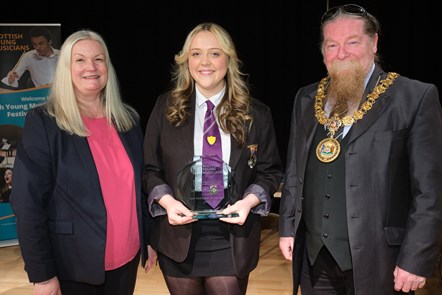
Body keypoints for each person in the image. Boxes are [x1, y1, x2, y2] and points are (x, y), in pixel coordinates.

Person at [278, 4, 442, 295]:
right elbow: (294, 173)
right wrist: (287, 227)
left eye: (352, 42)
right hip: (315, 259)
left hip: (381, 261)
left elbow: (429, 191)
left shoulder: (414, 97)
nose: (341, 53)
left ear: (374, 42)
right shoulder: (305, 98)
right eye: (332, 45)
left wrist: (416, 258)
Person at [142, 22, 283, 295]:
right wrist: (168, 203)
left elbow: (270, 171)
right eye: (196, 54)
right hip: (178, 235)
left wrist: (248, 202)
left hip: (232, 237)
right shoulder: (165, 108)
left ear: (229, 59)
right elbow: (150, 169)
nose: (205, 62)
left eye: (215, 53)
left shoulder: (257, 113)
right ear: (186, 61)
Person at [10, 30, 151, 295]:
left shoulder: (128, 121)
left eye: (99, 59)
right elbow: (27, 204)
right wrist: (42, 275)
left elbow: (139, 187)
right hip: (72, 268)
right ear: (65, 69)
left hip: (126, 261)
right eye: (80, 60)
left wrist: (148, 239)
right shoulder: (43, 123)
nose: (91, 67)